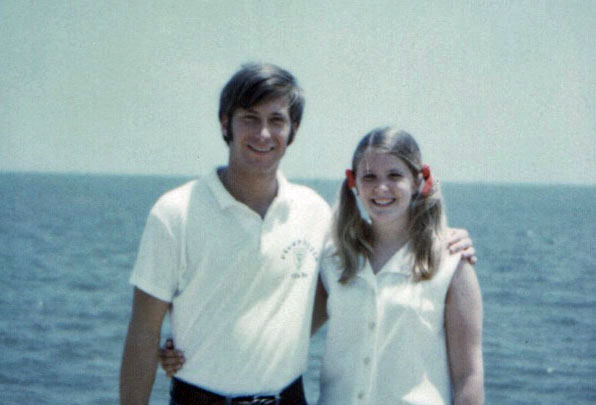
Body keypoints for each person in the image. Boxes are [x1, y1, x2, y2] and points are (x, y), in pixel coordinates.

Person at [121, 63, 476, 405]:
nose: (263, 133)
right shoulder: (174, 212)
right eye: (250, 118)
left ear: (293, 131)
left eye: (276, 120)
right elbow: (142, 334)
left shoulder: (314, 213)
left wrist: (444, 236)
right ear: (225, 123)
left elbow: (331, 292)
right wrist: (194, 346)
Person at [316, 127, 484, 404]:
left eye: (395, 176)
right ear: (353, 182)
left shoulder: (451, 262)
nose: (381, 188)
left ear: (418, 182)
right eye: (369, 176)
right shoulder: (332, 258)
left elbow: (469, 376)